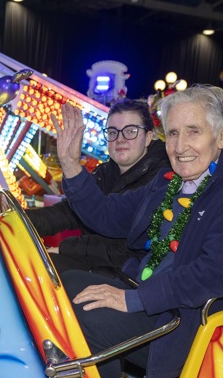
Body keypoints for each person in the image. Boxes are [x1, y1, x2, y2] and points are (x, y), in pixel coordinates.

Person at [52, 85, 223, 378]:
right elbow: (107, 216)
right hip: (154, 295)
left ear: (222, 136)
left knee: (89, 319)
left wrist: (132, 300)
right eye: (172, 134)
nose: (180, 147)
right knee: (66, 284)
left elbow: (217, 274)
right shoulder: (168, 180)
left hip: (191, 318)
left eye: (193, 132)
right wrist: (70, 164)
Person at [27, 99, 170, 277]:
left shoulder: (162, 177)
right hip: (98, 264)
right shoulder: (106, 172)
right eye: (113, 132)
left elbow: (118, 235)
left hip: (131, 275)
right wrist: (19, 218)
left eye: (130, 131)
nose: (120, 139)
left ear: (148, 137)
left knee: (45, 276)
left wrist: (65, 248)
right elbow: (68, 212)